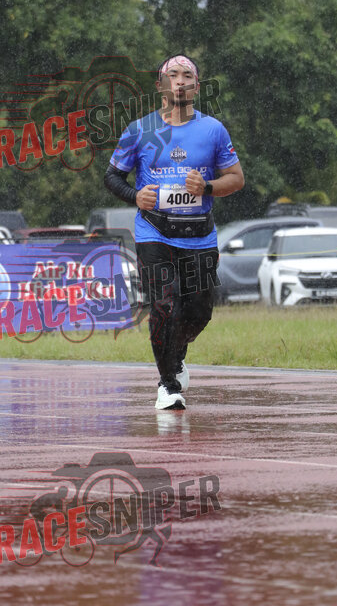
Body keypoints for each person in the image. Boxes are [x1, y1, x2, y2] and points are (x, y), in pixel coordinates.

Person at [104, 54, 244, 409]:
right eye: (173, 75)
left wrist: (207, 187)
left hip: (199, 235)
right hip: (154, 233)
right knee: (164, 306)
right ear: (160, 85)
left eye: (187, 76)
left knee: (199, 311)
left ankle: (176, 354)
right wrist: (135, 196)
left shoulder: (213, 130)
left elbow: (236, 179)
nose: (180, 81)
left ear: (196, 86)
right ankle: (167, 385)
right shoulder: (139, 130)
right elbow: (112, 176)